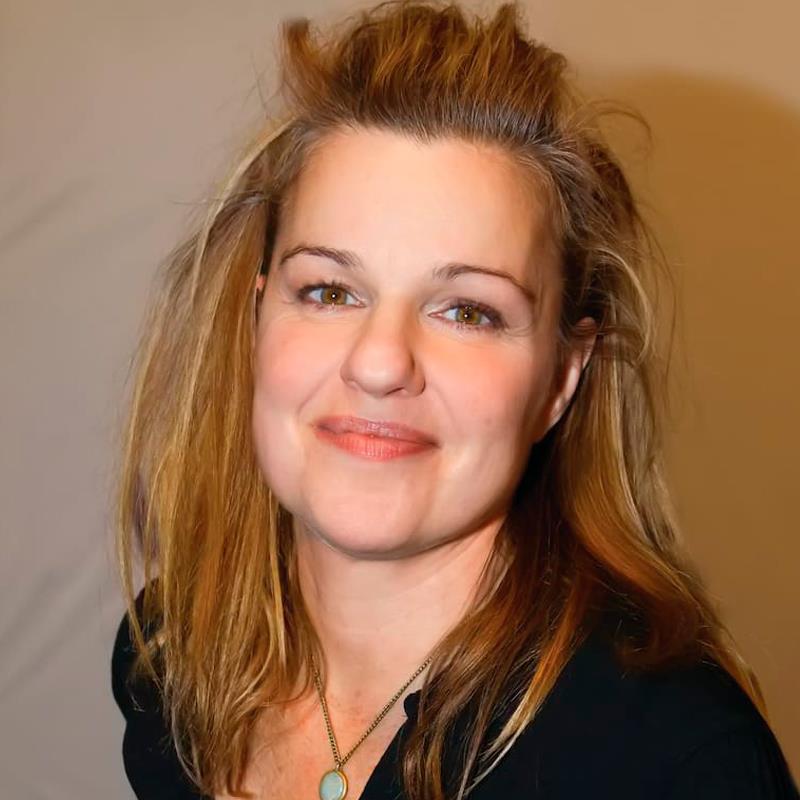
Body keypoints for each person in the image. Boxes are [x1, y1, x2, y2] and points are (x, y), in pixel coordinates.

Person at [110, 1, 799, 799]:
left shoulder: (676, 759)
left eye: (468, 311)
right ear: (257, 317)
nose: (379, 363)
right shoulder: (171, 656)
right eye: (330, 291)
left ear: (561, 377)